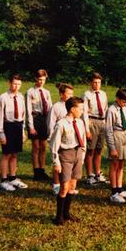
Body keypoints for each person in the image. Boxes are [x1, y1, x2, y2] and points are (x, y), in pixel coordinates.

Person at [49, 96, 87, 225]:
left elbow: (83, 140)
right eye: (80, 108)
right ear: (72, 109)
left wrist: (83, 155)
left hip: (78, 154)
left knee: (72, 186)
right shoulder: (61, 124)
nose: (82, 111)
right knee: (64, 186)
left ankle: (66, 213)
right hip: (66, 155)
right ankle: (58, 216)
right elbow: (54, 145)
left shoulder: (80, 122)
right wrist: (56, 162)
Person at [0, 73, 28, 192]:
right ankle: (4, 180)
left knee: (14, 154)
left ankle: (13, 177)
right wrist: (1, 133)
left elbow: (23, 115)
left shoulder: (20, 97)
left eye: (19, 84)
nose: (16, 86)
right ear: (9, 83)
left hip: (18, 126)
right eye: (14, 84)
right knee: (6, 154)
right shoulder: (3, 97)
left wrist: (23, 131)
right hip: (7, 126)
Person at [105, 88, 126, 204]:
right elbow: (108, 130)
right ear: (117, 98)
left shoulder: (125, 109)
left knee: (121, 164)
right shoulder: (111, 110)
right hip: (116, 137)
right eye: (123, 101)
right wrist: (112, 148)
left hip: (124, 137)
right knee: (115, 164)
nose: (125, 104)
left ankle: (120, 188)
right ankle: (113, 192)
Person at [81, 73, 109, 187]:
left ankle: (98, 173)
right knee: (90, 149)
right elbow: (84, 113)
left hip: (102, 122)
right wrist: (87, 129)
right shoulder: (87, 94)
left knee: (99, 149)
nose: (97, 85)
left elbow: (106, 109)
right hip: (92, 121)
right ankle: (90, 175)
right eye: (94, 82)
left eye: (99, 82)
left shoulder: (103, 94)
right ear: (91, 83)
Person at [47, 82, 74, 196]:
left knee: (68, 163)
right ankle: (56, 185)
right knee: (57, 163)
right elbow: (51, 124)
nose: (71, 96)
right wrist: (51, 138)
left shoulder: (73, 106)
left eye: (72, 94)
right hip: (58, 139)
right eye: (68, 94)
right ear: (61, 94)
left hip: (69, 140)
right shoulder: (56, 107)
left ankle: (66, 184)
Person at [26, 69, 53, 181]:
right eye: (40, 79)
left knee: (43, 146)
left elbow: (50, 108)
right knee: (36, 147)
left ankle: (42, 170)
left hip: (44, 119)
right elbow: (28, 110)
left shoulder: (46, 92)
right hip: (35, 118)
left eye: (44, 80)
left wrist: (51, 123)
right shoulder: (30, 92)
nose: (42, 82)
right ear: (36, 79)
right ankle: (36, 171)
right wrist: (31, 126)